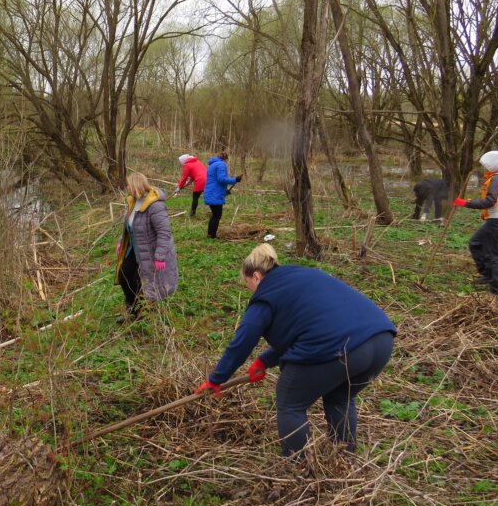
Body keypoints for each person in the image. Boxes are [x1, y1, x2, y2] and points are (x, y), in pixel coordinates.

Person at [195, 244, 396, 457]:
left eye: (247, 284)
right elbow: (312, 327)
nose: (250, 291)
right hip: (380, 339)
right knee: (339, 397)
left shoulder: (265, 295)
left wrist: (216, 379)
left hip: (340, 349)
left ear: (256, 277)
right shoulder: (300, 274)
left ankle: (298, 468)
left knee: (290, 402)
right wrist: (264, 361)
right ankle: (344, 458)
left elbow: (242, 342)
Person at [452, 150, 498, 297]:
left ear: (494, 164)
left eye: (487, 165)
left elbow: (490, 201)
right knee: (476, 243)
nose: (485, 168)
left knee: (494, 254)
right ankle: (487, 275)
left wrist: (466, 203)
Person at [113, 173, 179, 322]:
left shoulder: (155, 205)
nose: (127, 187)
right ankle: (131, 307)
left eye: (129, 184)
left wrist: (160, 256)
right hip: (133, 248)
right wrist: (121, 242)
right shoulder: (132, 202)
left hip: (149, 250)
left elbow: (164, 232)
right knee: (124, 276)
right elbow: (128, 226)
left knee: (143, 281)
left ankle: (142, 312)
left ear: (136, 185)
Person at [203, 152, 241, 239]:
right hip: (215, 193)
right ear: (226, 158)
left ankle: (210, 234)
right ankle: (212, 236)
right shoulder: (221, 165)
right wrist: (235, 179)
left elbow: (215, 181)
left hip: (211, 192)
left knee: (214, 215)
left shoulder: (212, 165)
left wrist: (225, 191)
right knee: (217, 215)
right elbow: (222, 179)